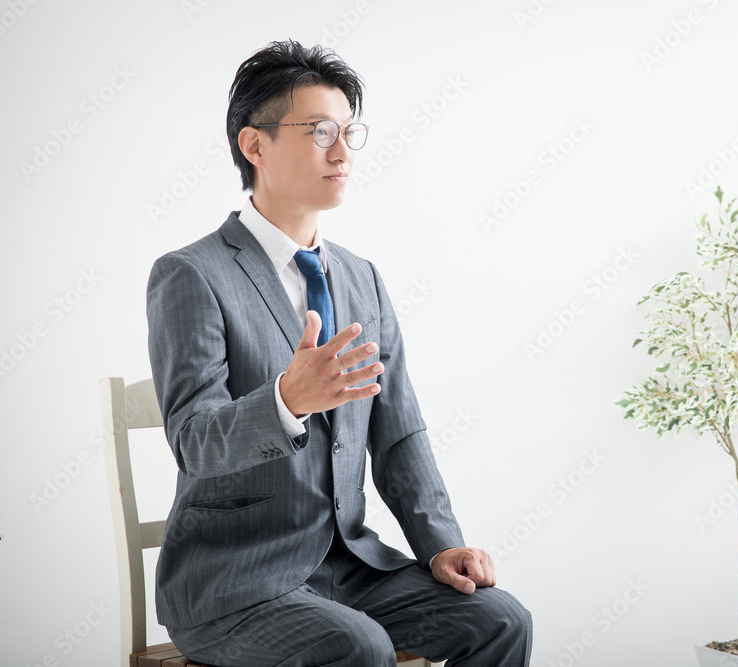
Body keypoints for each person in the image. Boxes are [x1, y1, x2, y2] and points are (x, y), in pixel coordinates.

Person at [146, 40, 531, 666]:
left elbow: (399, 432)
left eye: (350, 133)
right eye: (321, 131)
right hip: (233, 582)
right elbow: (193, 442)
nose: (343, 151)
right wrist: (284, 400)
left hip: (349, 569)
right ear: (255, 145)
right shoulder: (192, 274)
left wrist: (440, 545)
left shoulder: (361, 278)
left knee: (500, 620)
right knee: (360, 647)